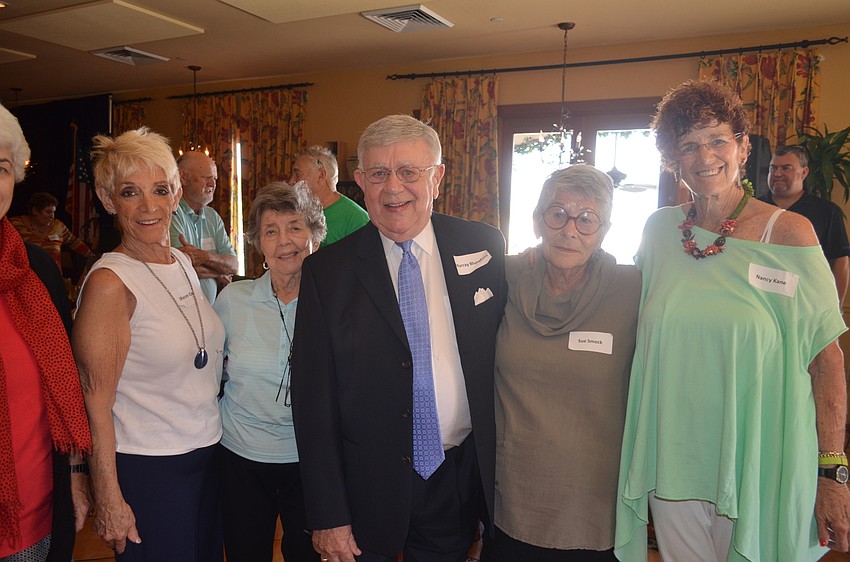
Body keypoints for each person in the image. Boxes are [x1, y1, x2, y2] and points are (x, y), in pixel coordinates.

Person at [615, 80, 850, 561]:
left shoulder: (789, 233)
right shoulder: (659, 231)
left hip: (761, 457)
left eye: (718, 139)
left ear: (743, 147)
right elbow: (621, 309)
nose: (705, 156)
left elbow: (826, 359)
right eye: (688, 145)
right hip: (673, 458)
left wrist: (833, 471)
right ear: (672, 161)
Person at [291, 114, 507, 562]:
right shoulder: (325, 273)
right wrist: (328, 514)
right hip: (364, 485)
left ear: (438, 178)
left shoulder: (484, 248)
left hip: (457, 477)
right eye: (379, 173)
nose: (394, 188)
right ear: (359, 182)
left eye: (410, 172)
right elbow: (313, 403)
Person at [73, 127, 225, 561]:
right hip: (150, 467)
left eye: (159, 190)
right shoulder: (109, 282)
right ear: (107, 200)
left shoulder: (179, 260)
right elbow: (95, 402)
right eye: (129, 192)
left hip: (206, 454)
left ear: (176, 195)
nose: (147, 207)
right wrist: (109, 498)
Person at [485, 165, 640, 562]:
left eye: (587, 219)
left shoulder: (634, 290)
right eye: (557, 214)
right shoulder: (502, 276)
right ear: (537, 221)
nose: (570, 230)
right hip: (512, 497)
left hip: (593, 504)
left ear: (604, 229)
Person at [213, 181, 326, 562]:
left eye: (295, 227)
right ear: (258, 243)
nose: (284, 241)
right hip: (241, 457)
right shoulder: (232, 301)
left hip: (309, 461)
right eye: (271, 231)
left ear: (315, 235)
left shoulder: (335, 302)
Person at [0, 103, 92, 561]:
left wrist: (76, 475)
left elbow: (64, 386)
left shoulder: (36, 270)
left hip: (37, 524)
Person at [759, 145, 850, 307]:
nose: (777, 174)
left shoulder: (827, 212)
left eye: (786, 168)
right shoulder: (753, 207)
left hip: (807, 305)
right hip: (759, 304)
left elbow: (839, 260)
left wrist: (836, 308)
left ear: (804, 172)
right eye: (773, 168)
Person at [170, 150, 238, 303]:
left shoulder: (212, 216)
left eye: (214, 178)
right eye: (206, 177)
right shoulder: (171, 212)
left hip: (210, 313)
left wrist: (204, 257)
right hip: (181, 312)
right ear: (183, 177)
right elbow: (179, 268)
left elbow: (233, 265)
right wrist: (218, 272)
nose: (213, 184)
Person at [289, 145, 369, 246]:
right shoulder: (297, 213)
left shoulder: (357, 220)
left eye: (298, 174)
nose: (291, 181)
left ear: (321, 175)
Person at [10, 191, 95, 272]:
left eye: (54, 212)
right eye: (48, 212)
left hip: (53, 279)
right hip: (26, 279)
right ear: (34, 211)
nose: (52, 216)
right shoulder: (16, 224)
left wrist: (93, 257)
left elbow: (75, 243)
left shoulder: (58, 226)